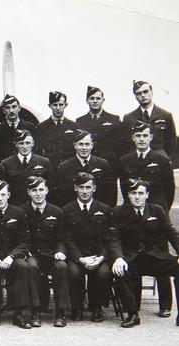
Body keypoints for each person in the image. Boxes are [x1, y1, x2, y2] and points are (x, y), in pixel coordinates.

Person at [118, 120, 175, 317]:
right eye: (138, 136)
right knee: (134, 253)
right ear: (133, 138)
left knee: (160, 254)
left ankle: (165, 304)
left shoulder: (161, 159)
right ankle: (135, 304)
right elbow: (126, 190)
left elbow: (170, 189)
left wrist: (161, 211)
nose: (141, 139)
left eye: (145, 135)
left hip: (156, 213)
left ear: (151, 137)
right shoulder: (125, 160)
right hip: (133, 212)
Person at [111, 179, 179, 327]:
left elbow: (172, 234)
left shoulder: (157, 210)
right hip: (131, 258)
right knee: (118, 271)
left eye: (140, 193)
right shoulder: (118, 212)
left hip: (153, 257)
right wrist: (118, 258)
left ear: (147, 195)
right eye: (133, 193)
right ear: (128, 195)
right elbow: (114, 238)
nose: (137, 197)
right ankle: (132, 314)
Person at [0, 178, 37, 329]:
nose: (0, 198)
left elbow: (25, 241)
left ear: (9, 195)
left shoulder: (18, 213)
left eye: (3, 195)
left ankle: (18, 314)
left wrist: (11, 257)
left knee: (23, 267)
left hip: (12, 256)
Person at [62, 172, 113, 322]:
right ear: (75, 188)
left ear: (94, 188)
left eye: (88, 187)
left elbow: (108, 239)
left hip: (98, 256)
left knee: (103, 273)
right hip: (77, 256)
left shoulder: (104, 209)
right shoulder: (66, 210)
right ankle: (76, 307)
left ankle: (97, 307)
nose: (85, 191)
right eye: (81, 187)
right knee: (74, 272)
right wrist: (80, 258)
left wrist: (101, 257)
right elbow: (67, 239)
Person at [21, 176, 70, 327]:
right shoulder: (22, 211)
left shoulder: (57, 212)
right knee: (30, 267)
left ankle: (60, 312)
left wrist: (61, 251)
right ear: (29, 192)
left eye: (41, 190)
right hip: (32, 254)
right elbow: (21, 237)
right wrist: (26, 252)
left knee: (61, 267)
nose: (38, 194)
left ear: (47, 190)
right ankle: (36, 311)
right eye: (34, 190)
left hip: (51, 254)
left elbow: (62, 238)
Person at [55, 130, 116, 207]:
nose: (84, 148)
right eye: (81, 144)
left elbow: (111, 193)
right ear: (75, 145)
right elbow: (61, 196)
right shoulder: (64, 167)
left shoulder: (103, 164)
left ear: (92, 145)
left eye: (87, 144)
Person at [122, 80, 176, 158]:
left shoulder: (165, 115)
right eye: (139, 93)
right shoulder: (129, 118)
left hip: (160, 160)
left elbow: (172, 141)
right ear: (135, 96)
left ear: (151, 92)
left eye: (145, 91)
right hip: (138, 160)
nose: (143, 95)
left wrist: (166, 158)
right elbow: (126, 143)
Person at [1, 129, 54, 206]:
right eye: (21, 143)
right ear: (16, 144)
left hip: (37, 206)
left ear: (33, 143)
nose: (25, 147)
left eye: (28, 143)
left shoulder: (44, 162)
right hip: (16, 207)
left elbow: (50, 186)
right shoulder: (6, 163)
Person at [75, 86, 122, 166]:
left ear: (103, 100)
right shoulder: (80, 121)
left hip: (110, 165)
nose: (95, 101)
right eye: (92, 98)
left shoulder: (114, 119)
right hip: (89, 165)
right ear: (87, 101)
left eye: (98, 98)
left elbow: (120, 145)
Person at [33, 91, 77, 169]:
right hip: (50, 168)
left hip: (69, 168)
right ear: (49, 106)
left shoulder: (74, 126)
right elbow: (38, 152)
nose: (58, 108)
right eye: (55, 105)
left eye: (61, 105)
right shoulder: (41, 127)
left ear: (66, 105)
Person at [0, 94, 36, 162]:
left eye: (14, 107)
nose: (11, 110)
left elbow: (35, 149)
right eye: (8, 107)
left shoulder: (30, 127)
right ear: (3, 110)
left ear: (19, 108)